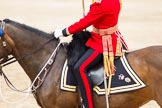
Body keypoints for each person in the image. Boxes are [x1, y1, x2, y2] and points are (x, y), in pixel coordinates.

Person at [54, 0, 128, 107]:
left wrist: (63, 32)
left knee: (80, 68)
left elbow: (84, 22)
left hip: (102, 43)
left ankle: (88, 105)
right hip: (111, 38)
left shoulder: (101, 6)